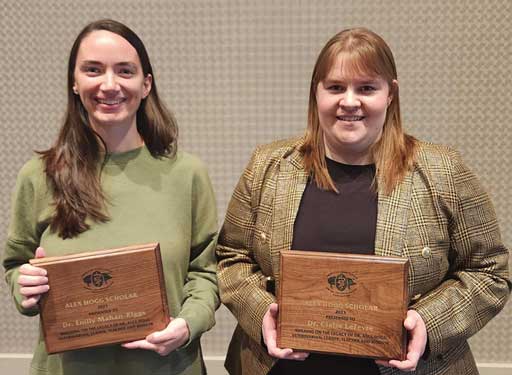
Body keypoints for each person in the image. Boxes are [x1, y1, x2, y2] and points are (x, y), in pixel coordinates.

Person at [216, 27, 511, 375]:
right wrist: (261, 313)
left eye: (367, 88)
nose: (350, 101)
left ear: (390, 94)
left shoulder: (444, 171)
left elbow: (490, 271)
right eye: (336, 87)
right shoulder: (267, 166)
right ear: (317, 93)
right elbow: (231, 257)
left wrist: (427, 323)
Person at [3, 19, 219, 375]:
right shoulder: (39, 176)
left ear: (145, 84)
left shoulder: (186, 175)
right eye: (93, 70)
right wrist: (22, 285)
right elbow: (16, 264)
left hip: (167, 367)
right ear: (74, 82)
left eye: (124, 71)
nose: (109, 84)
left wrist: (187, 325)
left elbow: (206, 272)